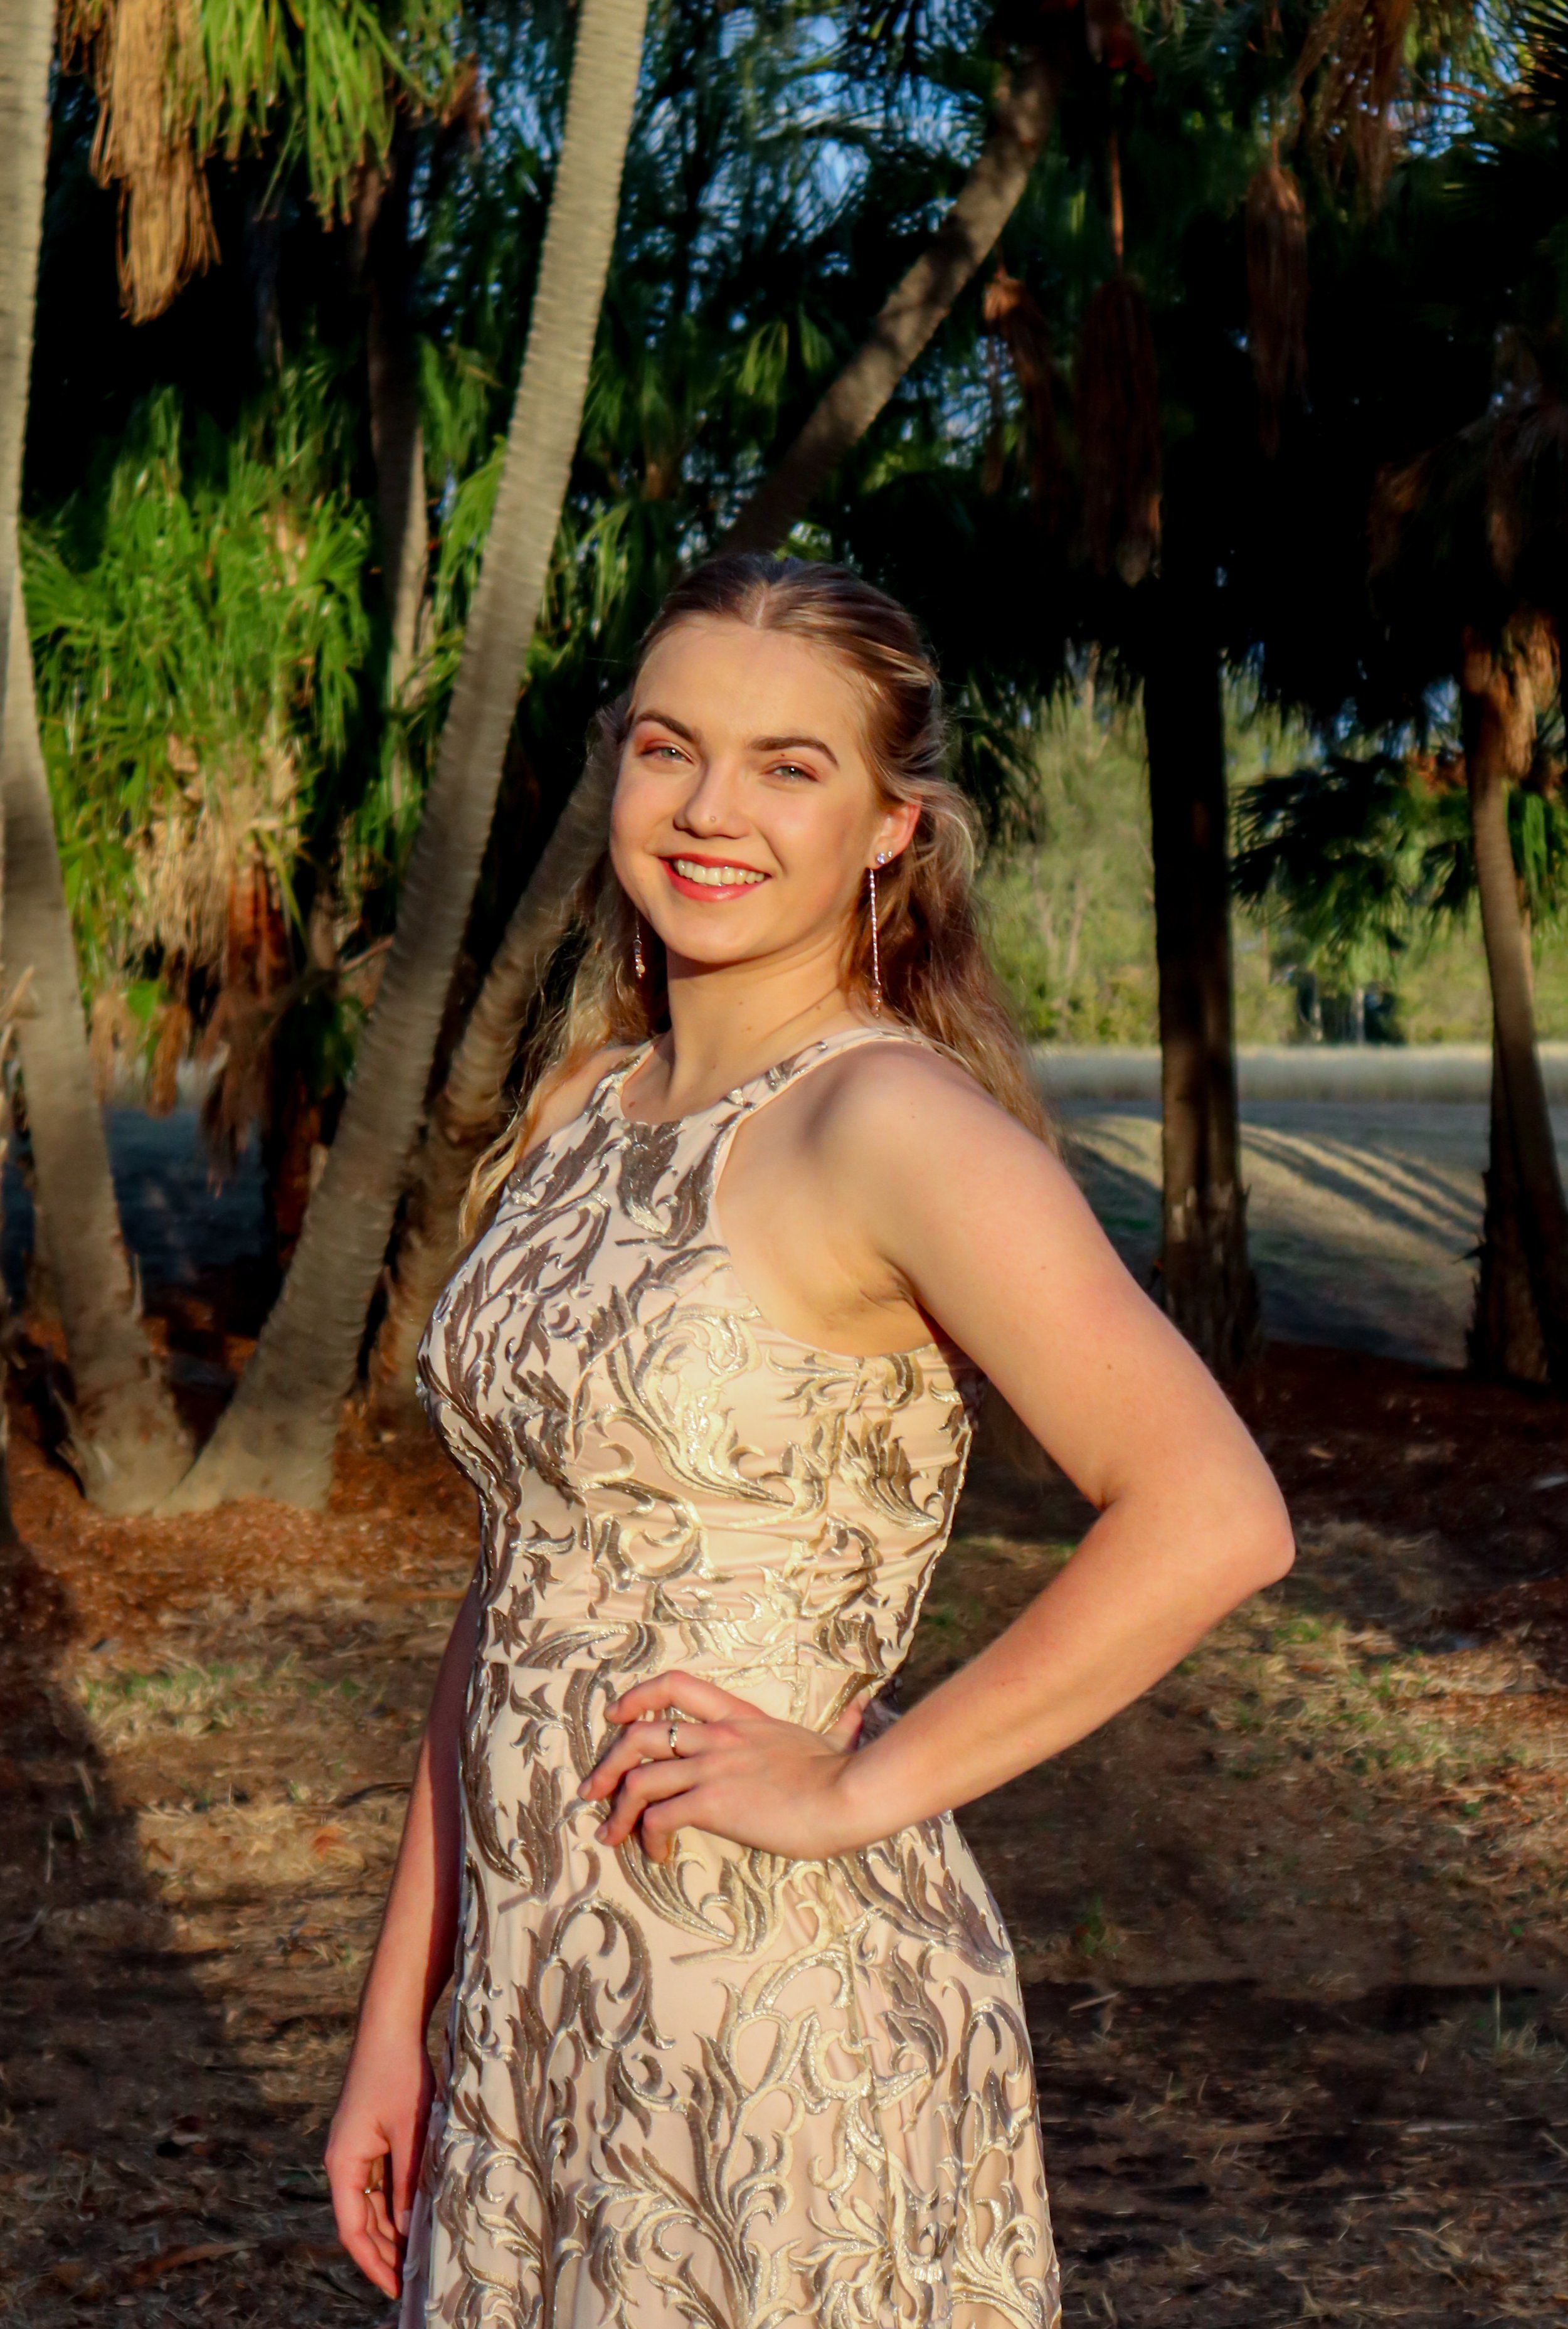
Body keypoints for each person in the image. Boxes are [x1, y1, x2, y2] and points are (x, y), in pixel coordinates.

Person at [325, 553, 1293, 2327]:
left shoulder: (887, 1123)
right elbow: (517, 1586)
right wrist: (405, 2012)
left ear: (887, 827)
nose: (708, 811)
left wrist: (861, 1783)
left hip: (770, 1990)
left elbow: (1212, 1512)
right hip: (543, 1990)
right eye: (668, 748)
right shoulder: (578, 1108)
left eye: (788, 765)